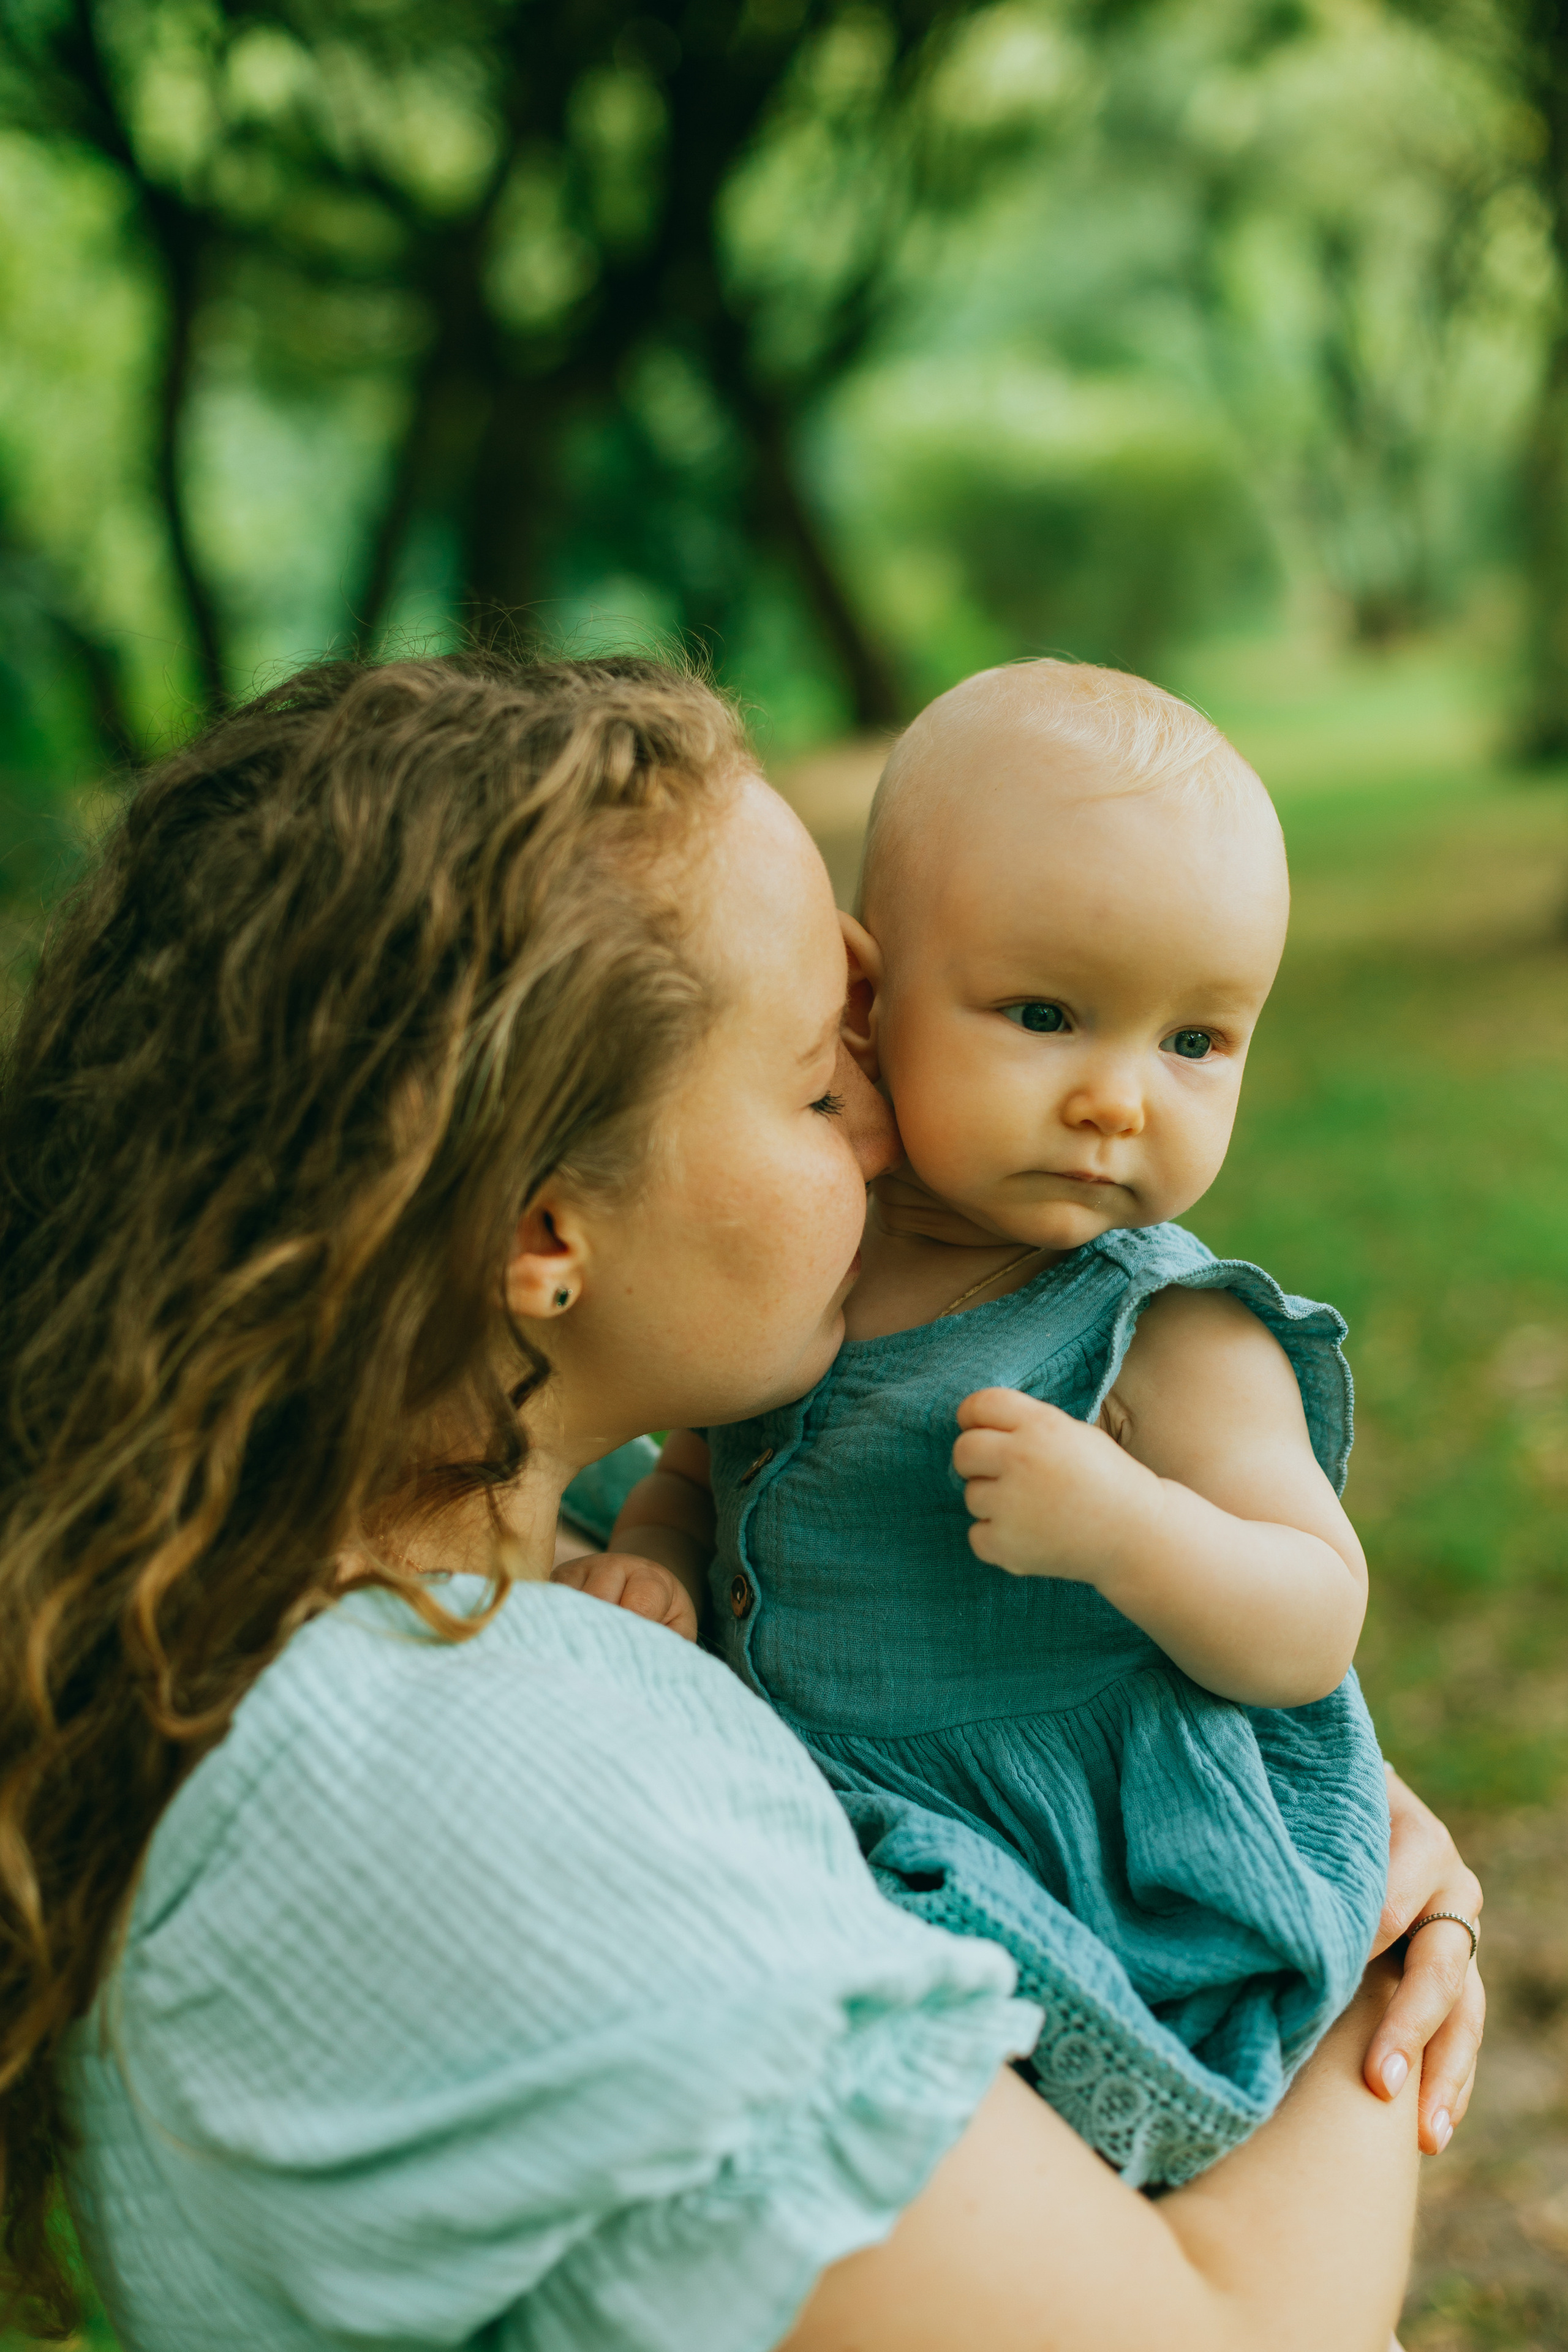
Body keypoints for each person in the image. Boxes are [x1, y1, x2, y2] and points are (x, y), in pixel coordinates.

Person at [0, 654, 1480, 2352]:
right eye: (813, 1077)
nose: (886, 1128)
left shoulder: (433, 1588)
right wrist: (1370, 1982)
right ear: (541, 1233)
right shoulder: (480, 1809)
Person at [596, 659, 1398, 2190]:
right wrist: (655, 1549)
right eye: (1045, 1014)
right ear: (867, 998)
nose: (1118, 1100)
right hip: (844, 1812)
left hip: (1076, 1862)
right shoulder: (801, 1260)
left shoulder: (1163, 1327)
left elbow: (1312, 1618)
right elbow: (710, 1458)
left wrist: (1130, 1530)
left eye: (1194, 1042)